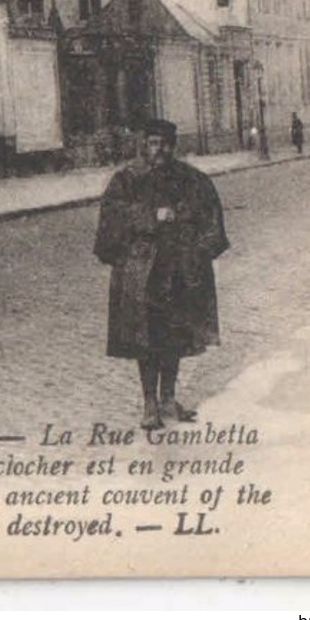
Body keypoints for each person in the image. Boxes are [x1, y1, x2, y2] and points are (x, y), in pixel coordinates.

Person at [94, 118, 230, 431]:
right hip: (142, 273)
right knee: (145, 339)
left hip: (180, 271)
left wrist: (199, 251)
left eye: (166, 144)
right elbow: (112, 219)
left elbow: (212, 221)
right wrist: (151, 217)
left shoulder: (191, 179)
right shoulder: (126, 180)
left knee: (176, 338)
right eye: (154, 143)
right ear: (144, 145)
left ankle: (169, 398)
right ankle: (149, 403)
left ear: (173, 146)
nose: (161, 150)